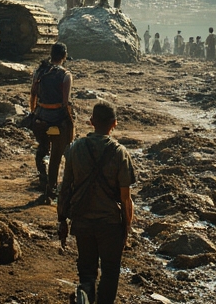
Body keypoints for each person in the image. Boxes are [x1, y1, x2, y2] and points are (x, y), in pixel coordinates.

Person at [57, 101, 136, 304]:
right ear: (115, 124)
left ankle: (85, 291)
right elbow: (126, 199)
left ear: (91, 121)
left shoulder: (74, 149)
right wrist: (126, 227)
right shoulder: (120, 153)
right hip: (109, 224)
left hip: (82, 220)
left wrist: (62, 220)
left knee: (87, 268)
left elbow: (65, 188)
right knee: (110, 270)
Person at [29, 42, 74, 203]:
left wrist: (34, 114)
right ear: (64, 56)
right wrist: (70, 124)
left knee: (42, 150)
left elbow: (33, 94)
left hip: (40, 119)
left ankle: (43, 179)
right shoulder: (65, 75)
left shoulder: (39, 71)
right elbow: (65, 102)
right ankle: (51, 189)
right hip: (58, 120)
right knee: (56, 157)